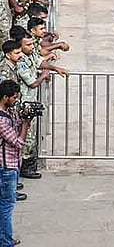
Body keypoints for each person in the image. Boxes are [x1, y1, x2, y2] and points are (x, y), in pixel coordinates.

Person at [17, 32, 68, 179]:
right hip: (24, 103)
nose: (32, 47)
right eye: (28, 44)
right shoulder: (21, 60)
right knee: (25, 137)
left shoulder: (30, 54)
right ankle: (23, 167)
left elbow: (39, 62)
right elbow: (32, 82)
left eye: (32, 43)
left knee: (31, 136)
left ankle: (28, 165)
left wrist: (55, 68)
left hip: (31, 101)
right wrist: (43, 76)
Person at [0, 79, 30, 247]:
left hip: (12, 163)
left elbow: (16, 126)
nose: (17, 100)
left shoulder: (8, 112)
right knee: (7, 205)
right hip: (6, 167)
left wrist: (23, 118)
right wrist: (25, 124)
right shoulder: (1, 120)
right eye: (14, 97)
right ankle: (5, 241)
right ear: (5, 97)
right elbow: (18, 142)